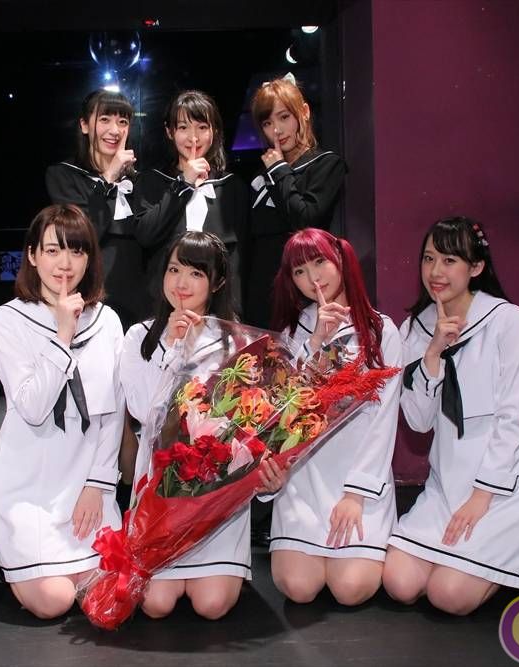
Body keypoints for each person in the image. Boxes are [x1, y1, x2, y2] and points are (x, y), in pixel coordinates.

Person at [383, 216, 519, 615]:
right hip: (446, 482)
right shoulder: (414, 328)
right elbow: (419, 422)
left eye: (449, 260)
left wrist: (481, 496)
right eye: (428, 259)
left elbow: (514, 415)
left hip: (502, 486)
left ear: (476, 268)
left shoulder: (505, 319)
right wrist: (433, 353)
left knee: (448, 596)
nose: (435, 272)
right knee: (399, 584)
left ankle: (517, 555)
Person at [119, 231, 284, 619]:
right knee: (155, 605)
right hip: (159, 489)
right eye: (174, 269)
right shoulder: (140, 336)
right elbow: (143, 411)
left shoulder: (238, 341)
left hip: (216, 494)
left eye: (196, 273)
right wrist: (177, 349)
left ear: (218, 282)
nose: (181, 282)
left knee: (211, 606)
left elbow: (252, 424)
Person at [0, 204, 124, 619]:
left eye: (76, 251)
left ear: (89, 259)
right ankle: (17, 566)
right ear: (31, 255)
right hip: (28, 489)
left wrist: (98, 485)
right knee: (53, 602)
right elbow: (32, 406)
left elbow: (113, 412)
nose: (65, 263)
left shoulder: (107, 321)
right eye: (52, 250)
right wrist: (63, 335)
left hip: (86, 486)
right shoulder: (7, 319)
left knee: (112, 598)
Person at [265, 228, 402, 605]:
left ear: (340, 259)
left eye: (319, 262)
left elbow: (384, 418)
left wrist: (356, 494)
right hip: (303, 479)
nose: (312, 277)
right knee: (298, 588)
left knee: (351, 589)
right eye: (299, 271)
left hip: (358, 476)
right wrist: (316, 342)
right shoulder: (293, 331)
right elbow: (283, 409)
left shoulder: (380, 329)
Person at [243, 75, 348, 328]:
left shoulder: (326, 164)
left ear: (304, 112)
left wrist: (279, 169)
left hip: (305, 291)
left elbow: (304, 219)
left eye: (284, 117)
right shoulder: (260, 174)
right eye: (267, 123)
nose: (276, 130)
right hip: (261, 294)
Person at [133, 90, 247, 310]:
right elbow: (146, 234)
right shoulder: (151, 181)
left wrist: (233, 314)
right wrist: (183, 183)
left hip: (217, 311)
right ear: (170, 131)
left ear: (214, 131)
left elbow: (239, 260)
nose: (193, 137)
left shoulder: (232, 187)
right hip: (161, 307)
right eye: (184, 127)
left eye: (202, 127)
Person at [45, 89, 143, 326]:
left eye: (123, 122)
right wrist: (108, 178)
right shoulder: (63, 176)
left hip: (141, 302)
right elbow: (83, 235)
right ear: (84, 125)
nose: (115, 130)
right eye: (105, 119)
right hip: (91, 299)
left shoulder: (141, 182)